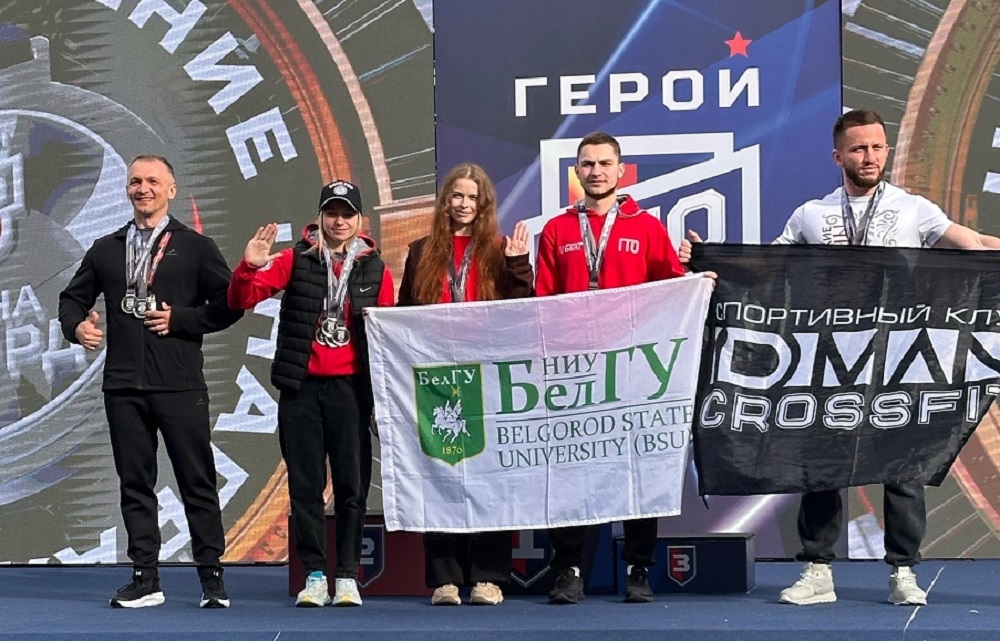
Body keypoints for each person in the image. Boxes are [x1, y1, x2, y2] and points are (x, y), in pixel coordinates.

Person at [680, 108, 1000, 607]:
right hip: (829, 362)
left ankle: (903, 573)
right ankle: (818, 570)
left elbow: (974, 244)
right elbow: (766, 269)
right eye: (858, 148)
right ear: (838, 156)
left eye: (876, 147)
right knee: (821, 463)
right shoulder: (811, 214)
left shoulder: (914, 209)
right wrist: (709, 261)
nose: (869, 157)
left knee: (903, 464)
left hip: (897, 359)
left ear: (887, 150)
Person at [58, 155, 243, 609]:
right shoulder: (106, 248)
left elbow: (230, 303)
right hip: (123, 385)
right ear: (127, 189)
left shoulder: (196, 247)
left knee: (196, 481)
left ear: (171, 190)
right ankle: (145, 579)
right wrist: (76, 328)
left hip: (179, 383)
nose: (143, 188)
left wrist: (182, 319)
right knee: (135, 484)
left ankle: (211, 578)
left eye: (153, 181)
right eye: (136, 181)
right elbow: (71, 300)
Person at [534, 131, 686, 604]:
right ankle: (568, 569)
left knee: (639, 466)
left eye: (604, 163)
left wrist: (699, 272)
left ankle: (639, 568)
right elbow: (543, 301)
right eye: (587, 163)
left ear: (621, 171)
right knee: (570, 469)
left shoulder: (647, 227)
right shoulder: (557, 230)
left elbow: (674, 289)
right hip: (575, 371)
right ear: (576, 172)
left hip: (634, 367)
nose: (596, 171)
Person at [228, 180, 393, 607]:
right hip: (301, 389)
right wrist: (248, 267)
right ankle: (315, 575)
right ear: (320, 217)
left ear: (360, 220)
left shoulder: (376, 269)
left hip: (350, 391)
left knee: (352, 487)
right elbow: (243, 299)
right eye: (332, 213)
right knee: (305, 486)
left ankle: (348, 576)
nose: (339, 222)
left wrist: (382, 398)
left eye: (347, 214)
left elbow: (387, 339)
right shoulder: (294, 259)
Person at [397, 163, 533, 606]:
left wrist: (518, 265)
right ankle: (445, 579)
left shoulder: (498, 249)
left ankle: (488, 577)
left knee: (490, 477)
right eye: (457, 195)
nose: (463, 204)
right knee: (439, 475)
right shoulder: (421, 251)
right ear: (445, 201)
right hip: (436, 379)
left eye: (473, 198)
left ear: (484, 204)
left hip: (486, 376)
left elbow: (522, 311)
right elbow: (404, 314)